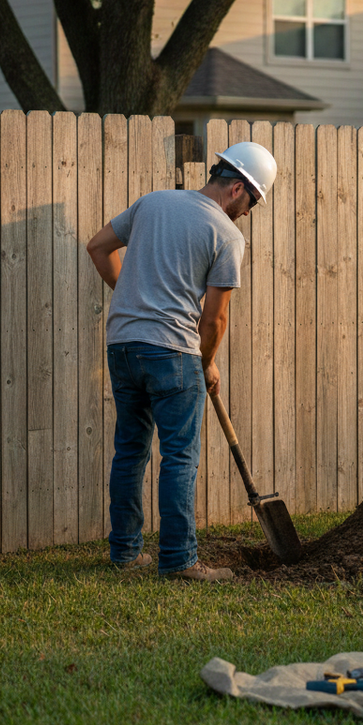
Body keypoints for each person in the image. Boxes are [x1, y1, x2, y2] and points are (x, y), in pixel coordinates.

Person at [87, 141, 277, 579]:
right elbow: (215, 320)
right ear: (236, 189)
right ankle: (179, 561)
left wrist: (134, 300)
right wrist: (206, 362)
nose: (248, 213)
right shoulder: (227, 235)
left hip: (123, 346)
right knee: (178, 457)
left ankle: (125, 554)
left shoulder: (152, 203)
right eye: (252, 202)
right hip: (172, 352)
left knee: (130, 452)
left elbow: (98, 247)